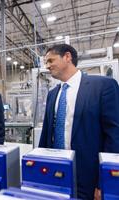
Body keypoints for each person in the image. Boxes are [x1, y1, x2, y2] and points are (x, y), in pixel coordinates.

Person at [39, 44, 119, 199]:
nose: (47, 66)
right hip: (56, 172)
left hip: (89, 177)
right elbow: (47, 135)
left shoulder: (103, 86)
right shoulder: (52, 94)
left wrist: (104, 182)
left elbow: (114, 136)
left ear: (67, 57)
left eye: (50, 60)